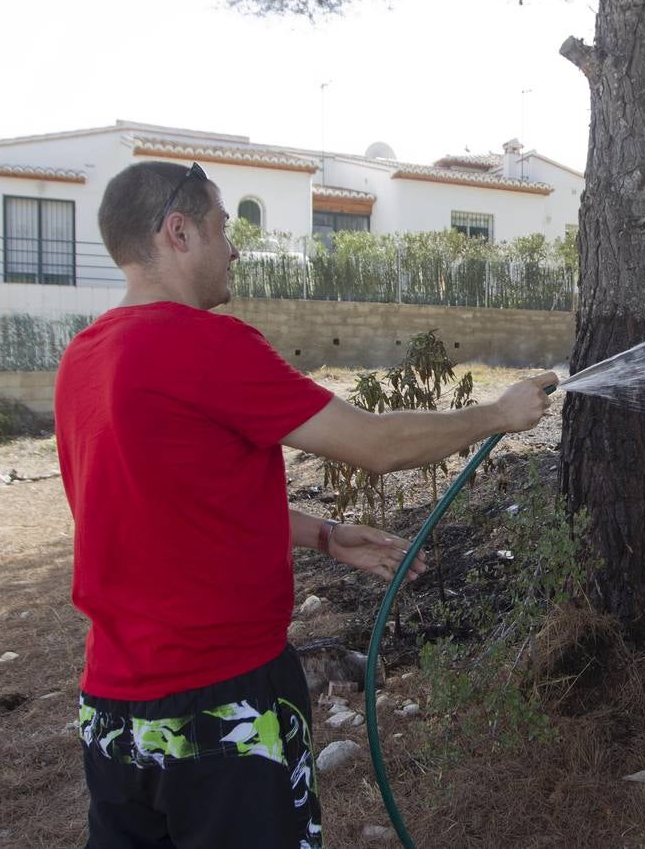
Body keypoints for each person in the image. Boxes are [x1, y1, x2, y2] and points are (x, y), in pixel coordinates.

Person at [54, 160, 557, 849]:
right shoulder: (209, 345)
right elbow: (375, 444)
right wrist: (496, 414)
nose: (233, 248)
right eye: (222, 227)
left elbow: (160, 507)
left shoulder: (82, 358)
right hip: (224, 701)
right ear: (178, 232)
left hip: (113, 713)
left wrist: (323, 535)